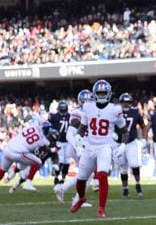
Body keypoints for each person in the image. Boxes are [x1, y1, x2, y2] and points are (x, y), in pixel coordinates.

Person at [70, 79, 128, 218]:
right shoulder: (88, 107)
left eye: (104, 93)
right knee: (81, 180)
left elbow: (125, 130)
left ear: (108, 93)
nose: (101, 95)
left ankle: (101, 208)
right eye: (99, 93)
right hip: (90, 146)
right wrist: (78, 136)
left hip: (105, 147)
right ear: (94, 94)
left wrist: (123, 145)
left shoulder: (115, 109)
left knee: (102, 174)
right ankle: (82, 198)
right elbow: (83, 126)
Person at [0, 121, 59, 195]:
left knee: (2, 170)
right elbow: (48, 148)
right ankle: (28, 183)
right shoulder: (44, 141)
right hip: (18, 153)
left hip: (8, 149)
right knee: (38, 161)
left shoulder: (32, 126)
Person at [53, 89, 94, 208]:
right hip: (77, 146)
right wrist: (78, 146)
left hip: (83, 146)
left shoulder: (90, 112)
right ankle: (71, 194)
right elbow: (69, 134)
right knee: (87, 173)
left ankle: (71, 194)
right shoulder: (77, 112)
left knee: (87, 174)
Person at [114, 92, 146, 199]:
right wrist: (112, 134)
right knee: (123, 167)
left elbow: (143, 126)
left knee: (134, 164)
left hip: (131, 142)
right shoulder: (116, 112)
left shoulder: (135, 112)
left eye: (128, 102)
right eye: (124, 102)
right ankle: (125, 189)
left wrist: (144, 139)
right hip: (118, 143)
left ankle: (137, 185)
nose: (126, 104)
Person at [48, 100, 71, 185]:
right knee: (60, 161)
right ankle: (57, 177)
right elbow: (49, 127)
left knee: (66, 161)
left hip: (67, 142)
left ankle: (62, 178)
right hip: (59, 142)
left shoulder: (69, 117)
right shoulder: (54, 117)